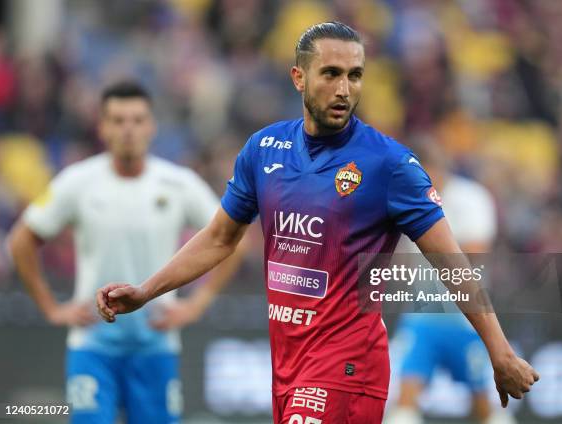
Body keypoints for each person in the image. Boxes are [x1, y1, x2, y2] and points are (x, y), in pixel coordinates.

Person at [96, 22, 539, 424]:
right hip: (288, 365)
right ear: (299, 78)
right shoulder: (263, 149)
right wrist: (146, 291)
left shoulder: (389, 164)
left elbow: (452, 261)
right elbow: (218, 238)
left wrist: (499, 350)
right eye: (330, 74)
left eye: (355, 75)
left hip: (347, 368)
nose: (344, 88)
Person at [8, 81, 242, 424]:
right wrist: (51, 307)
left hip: (156, 346)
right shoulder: (77, 181)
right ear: (102, 127)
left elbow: (231, 240)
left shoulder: (178, 184)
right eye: (118, 120)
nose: (128, 129)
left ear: (151, 126)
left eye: (136, 119)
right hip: (92, 348)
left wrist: (197, 304)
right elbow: (21, 240)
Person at [386, 141, 516, 424]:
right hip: (422, 315)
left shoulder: (470, 197)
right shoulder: (408, 198)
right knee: (404, 400)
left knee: (484, 406)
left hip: (464, 318)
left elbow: (475, 254)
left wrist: (430, 243)